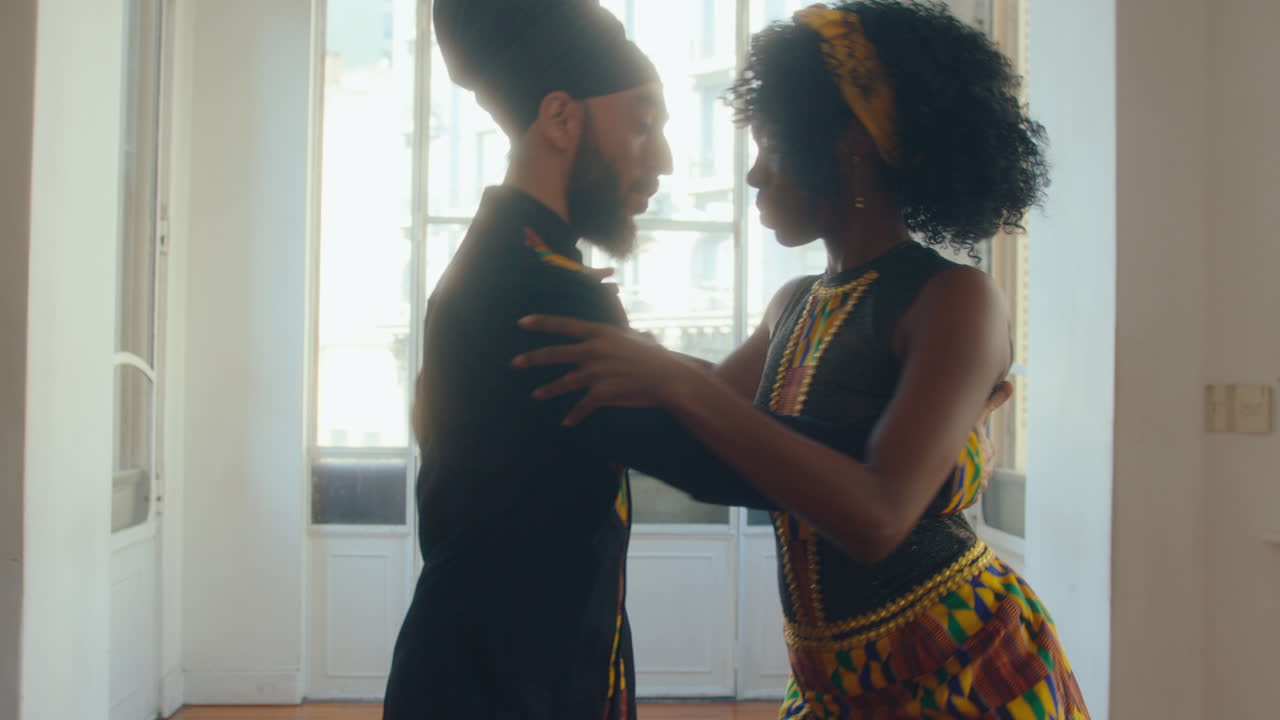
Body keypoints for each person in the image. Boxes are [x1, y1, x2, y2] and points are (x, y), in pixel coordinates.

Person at [513, 2, 1089, 718]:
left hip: (960, 671)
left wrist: (666, 376)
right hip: (832, 683)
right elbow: (709, 427)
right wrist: (620, 343)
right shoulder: (793, 302)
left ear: (848, 149)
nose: (754, 177)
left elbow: (878, 516)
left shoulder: (956, 300)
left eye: (770, 148)